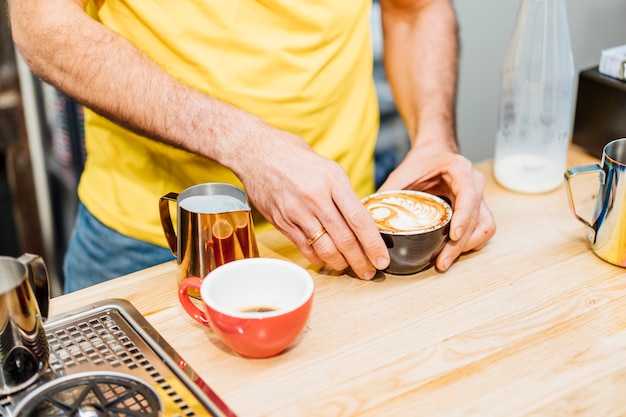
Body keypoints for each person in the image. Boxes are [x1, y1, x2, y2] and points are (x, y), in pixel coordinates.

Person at [9, 0, 496, 293]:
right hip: (151, 240)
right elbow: (44, 24)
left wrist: (435, 137)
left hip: (344, 230)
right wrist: (243, 143)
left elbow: (414, 9)